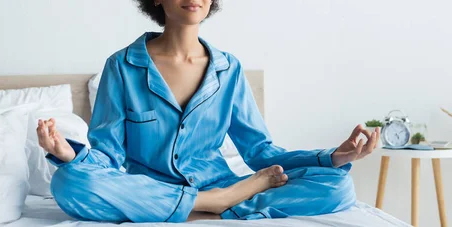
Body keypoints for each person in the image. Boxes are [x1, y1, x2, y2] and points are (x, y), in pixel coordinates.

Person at [36, 0, 381, 222]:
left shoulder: (228, 69)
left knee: (338, 186)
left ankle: (207, 202)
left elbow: (260, 152)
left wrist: (333, 157)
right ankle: (215, 203)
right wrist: (70, 154)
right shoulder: (122, 66)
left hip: (220, 181)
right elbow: (109, 158)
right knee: (68, 182)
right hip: (147, 186)